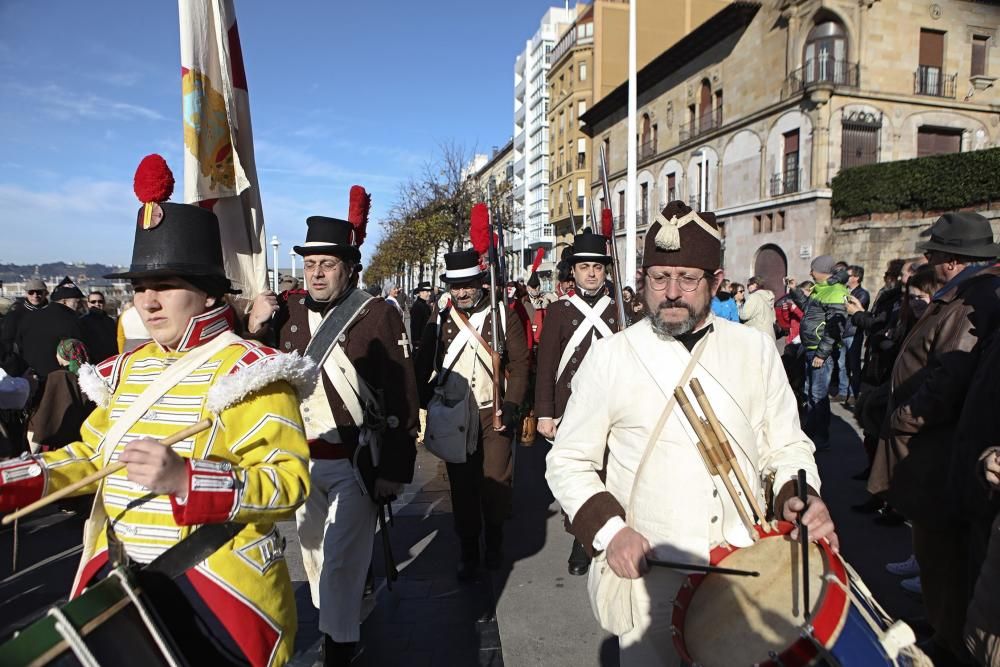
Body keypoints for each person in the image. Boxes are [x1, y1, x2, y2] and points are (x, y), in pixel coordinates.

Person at [0, 172, 312, 666]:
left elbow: (289, 484)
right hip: (120, 581)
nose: (147, 300)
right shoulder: (124, 369)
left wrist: (185, 479)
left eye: (165, 285)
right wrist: (16, 479)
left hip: (215, 592)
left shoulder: (251, 371)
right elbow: (93, 458)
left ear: (209, 293)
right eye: (141, 286)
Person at [545, 200, 835, 665]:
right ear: (644, 281)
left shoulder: (754, 349)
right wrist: (611, 532)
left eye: (687, 278)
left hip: (744, 569)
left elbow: (786, 444)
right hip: (650, 578)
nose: (671, 292)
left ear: (716, 282)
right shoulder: (611, 357)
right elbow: (568, 460)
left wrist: (798, 495)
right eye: (659, 278)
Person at [248, 202, 419, 666]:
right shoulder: (287, 314)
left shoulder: (377, 315)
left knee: (340, 560)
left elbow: (402, 393)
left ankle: (338, 649)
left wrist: (395, 471)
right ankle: (340, 620)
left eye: (327, 265)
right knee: (315, 554)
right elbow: (262, 376)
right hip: (301, 462)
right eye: (310, 265)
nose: (317, 274)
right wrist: (255, 327)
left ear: (348, 269)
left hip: (355, 462)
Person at [868, 212, 1000, 665]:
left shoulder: (973, 300)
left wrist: (904, 416)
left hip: (938, 452)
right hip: (940, 450)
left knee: (943, 553)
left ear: (952, 260)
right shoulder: (967, 296)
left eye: (936, 252)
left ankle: (947, 640)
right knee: (938, 555)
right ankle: (945, 624)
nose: (929, 258)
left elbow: (949, 378)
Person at [415, 246, 530, 581]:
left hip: (493, 410)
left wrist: (512, 405)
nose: (462, 291)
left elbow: (521, 364)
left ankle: (493, 542)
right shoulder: (439, 319)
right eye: (456, 286)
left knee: (496, 480)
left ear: (481, 282)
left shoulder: (501, 315)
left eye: (467, 284)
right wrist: (422, 405)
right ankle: (468, 547)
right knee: (462, 486)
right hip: (454, 412)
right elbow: (423, 365)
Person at [534, 231, 621, 577]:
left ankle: (603, 532)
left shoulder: (621, 310)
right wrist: (544, 412)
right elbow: (547, 365)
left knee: (609, 472)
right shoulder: (559, 311)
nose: (591, 273)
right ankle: (581, 537)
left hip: (614, 402)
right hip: (570, 405)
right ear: (574, 271)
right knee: (579, 473)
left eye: (597, 267)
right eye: (585, 267)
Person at [789, 256, 848, 450]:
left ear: (821, 270)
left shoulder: (836, 291)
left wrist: (822, 355)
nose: (810, 273)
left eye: (812, 269)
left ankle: (820, 437)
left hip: (820, 353)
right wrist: (794, 290)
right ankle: (811, 432)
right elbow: (808, 309)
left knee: (818, 394)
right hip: (811, 349)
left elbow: (835, 328)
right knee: (809, 392)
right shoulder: (820, 288)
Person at [27, 338, 94, 450]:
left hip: (57, 442)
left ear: (64, 354)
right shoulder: (90, 376)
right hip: (81, 440)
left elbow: (46, 415)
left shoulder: (60, 377)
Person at [16, 277, 86, 383]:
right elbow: (77, 350)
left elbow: (19, 345)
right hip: (60, 379)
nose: (80, 305)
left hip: (32, 376)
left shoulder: (29, 317)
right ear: (65, 301)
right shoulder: (69, 319)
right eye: (77, 301)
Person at [79, 290, 118, 364]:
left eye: (100, 301)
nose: (97, 304)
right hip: (92, 361)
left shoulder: (110, 321)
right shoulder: (82, 321)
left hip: (111, 360)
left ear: (104, 303)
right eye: (93, 302)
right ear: (88, 304)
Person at [410, 281, 433, 351]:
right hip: (421, 344)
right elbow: (415, 327)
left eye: (430, 291)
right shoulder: (417, 306)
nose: (429, 293)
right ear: (420, 293)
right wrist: (416, 344)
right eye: (427, 291)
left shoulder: (424, 305)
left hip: (426, 342)